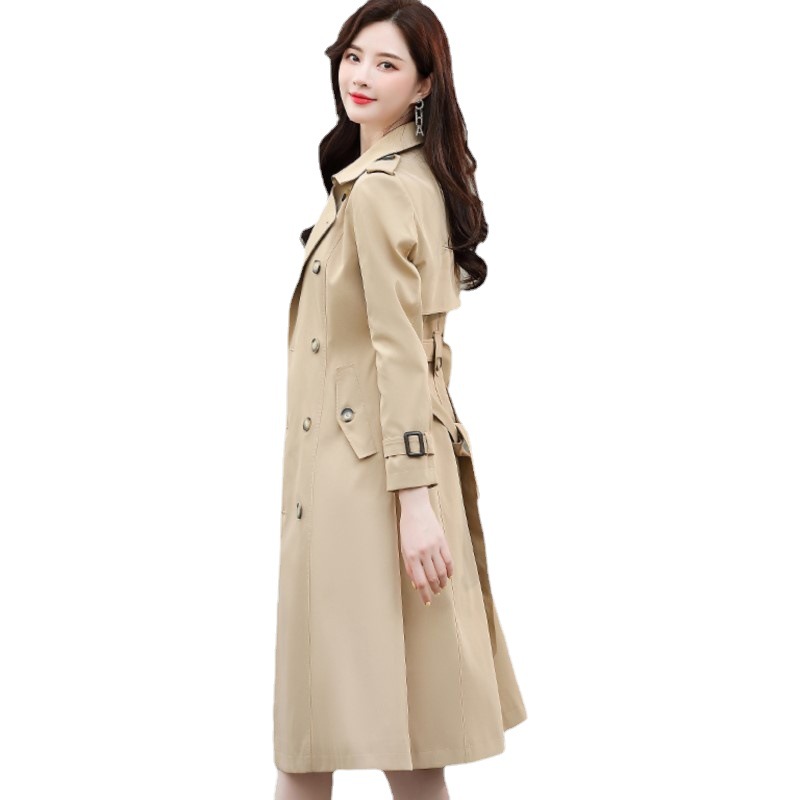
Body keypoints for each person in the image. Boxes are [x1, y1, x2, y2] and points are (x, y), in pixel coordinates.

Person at [274, 2, 527, 798]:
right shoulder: (400, 176)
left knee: (321, 738)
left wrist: (412, 503)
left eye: (387, 64)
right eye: (354, 56)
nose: (360, 76)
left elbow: (399, 352)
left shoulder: (382, 189)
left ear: (423, 84)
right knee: (395, 738)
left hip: (366, 484)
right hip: (382, 471)